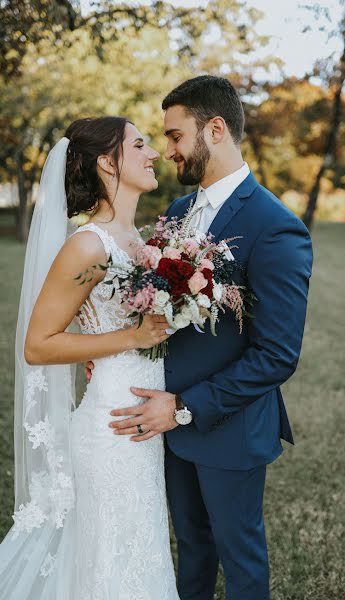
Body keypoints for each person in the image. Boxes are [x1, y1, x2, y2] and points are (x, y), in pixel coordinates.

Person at [102, 75, 314, 599]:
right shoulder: (175, 214)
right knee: (191, 549)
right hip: (166, 424)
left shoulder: (275, 226)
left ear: (214, 129)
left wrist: (183, 407)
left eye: (175, 136)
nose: (167, 150)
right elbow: (158, 314)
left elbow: (276, 355)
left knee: (239, 557)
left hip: (228, 429)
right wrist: (114, 353)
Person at [0, 116, 180, 599]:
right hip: (111, 430)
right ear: (107, 161)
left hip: (144, 424)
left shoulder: (140, 243)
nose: (154, 153)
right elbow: (38, 344)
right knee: (110, 566)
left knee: (138, 557)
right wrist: (129, 337)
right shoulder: (87, 245)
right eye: (140, 144)